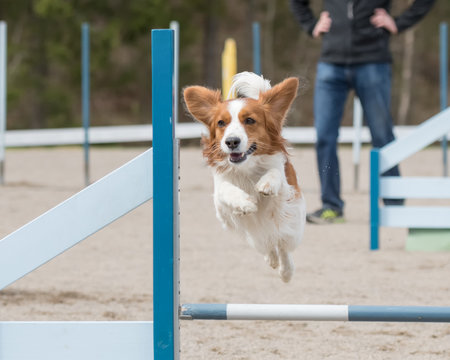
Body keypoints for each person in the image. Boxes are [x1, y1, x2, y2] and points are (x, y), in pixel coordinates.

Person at [290, 0, 436, 224]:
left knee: (382, 135)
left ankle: (394, 204)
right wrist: (311, 25)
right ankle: (332, 206)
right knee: (325, 138)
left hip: (373, 62)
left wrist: (398, 23)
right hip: (331, 63)